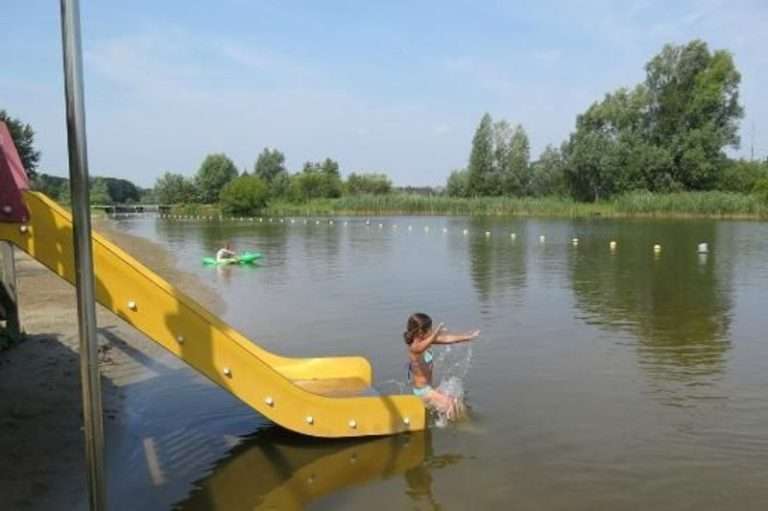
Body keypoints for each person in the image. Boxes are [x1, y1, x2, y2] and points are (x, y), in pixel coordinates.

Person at [404, 312, 479, 419]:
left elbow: (447, 339)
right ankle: (465, 428)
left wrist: (467, 337)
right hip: (423, 392)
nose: (431, 331)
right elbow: (425, 344)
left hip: (429, 388)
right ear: (420, 332)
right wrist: (436, 332)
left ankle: (461, 419)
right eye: (429, 329)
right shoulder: (415, 347)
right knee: (451, 406)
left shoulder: (425, 341)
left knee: (457, 401)